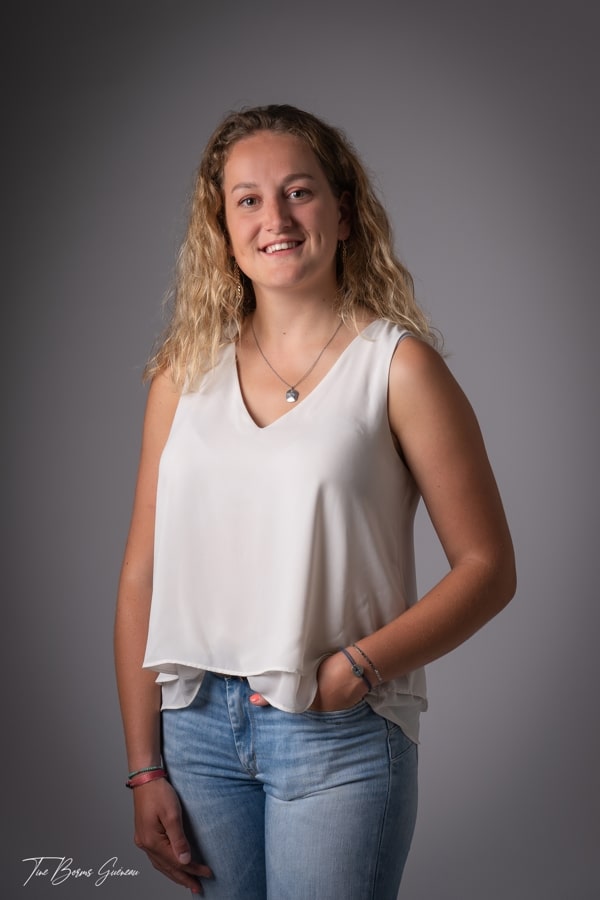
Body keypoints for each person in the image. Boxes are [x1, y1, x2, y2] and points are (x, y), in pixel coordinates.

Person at [114, 104, 516, 899]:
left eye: (298, 192)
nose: (276, 217)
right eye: (249, 199)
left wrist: (357, 670)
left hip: (337, 733)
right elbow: (140, 578)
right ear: (222, 229)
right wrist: (143, 766)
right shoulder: (181, 378)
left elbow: (488, 567)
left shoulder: (397, 368)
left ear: (343, 212)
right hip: (195, 734)